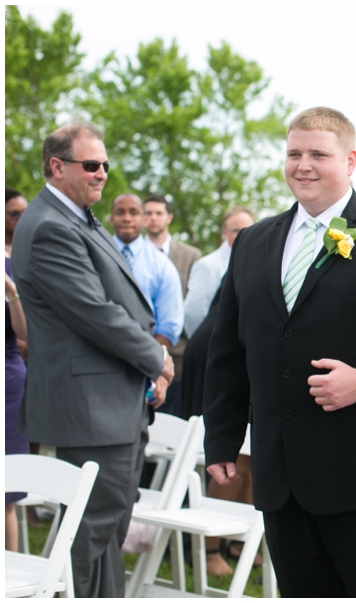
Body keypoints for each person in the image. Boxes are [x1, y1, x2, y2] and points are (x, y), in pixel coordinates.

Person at [203, 106, 356, 597]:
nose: (303, 165)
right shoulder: (253, 242)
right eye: (294, 153)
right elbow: (228, 349)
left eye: (319, 153)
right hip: (279, 473)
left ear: (351, 160)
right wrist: (222, 438)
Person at [11, 122, 174, 597]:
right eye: (91, 165)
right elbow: (94, 313)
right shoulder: (48, 227)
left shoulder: (75, 216)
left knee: (109, 528)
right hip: (91, 407)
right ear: (57, 167)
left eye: (105, 164)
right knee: (91, 532)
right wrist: (156, 358)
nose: (102, 173)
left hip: (109, 401)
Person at [143, 193, 201, 410]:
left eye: (158, 213)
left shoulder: (190, 255)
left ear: (169, 217)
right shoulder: (129, 254)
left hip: (179, 354)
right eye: (147, 213)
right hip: (140, 349)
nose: (153, 218)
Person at [110, 194, 184, 350]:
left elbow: (169, 324)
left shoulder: (162, 265)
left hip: (146, 359)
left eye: (134, 212)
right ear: (111, 219)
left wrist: (146, 359)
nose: (127, 218)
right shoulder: (94, 257)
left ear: (144, 220)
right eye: (120, 212)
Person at [182, 207, 254, 337]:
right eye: (236, 231)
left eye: (248, 229)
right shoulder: (207, 266)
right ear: (225, 233)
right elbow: (193, 313)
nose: (243, 235)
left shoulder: (259, 262)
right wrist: (209, 345)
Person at [5, 188, 29, 551]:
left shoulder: (16, 264)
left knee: (3, 489)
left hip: (6, 381)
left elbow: (26, 336)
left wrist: (11, 294)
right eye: (12, 213)